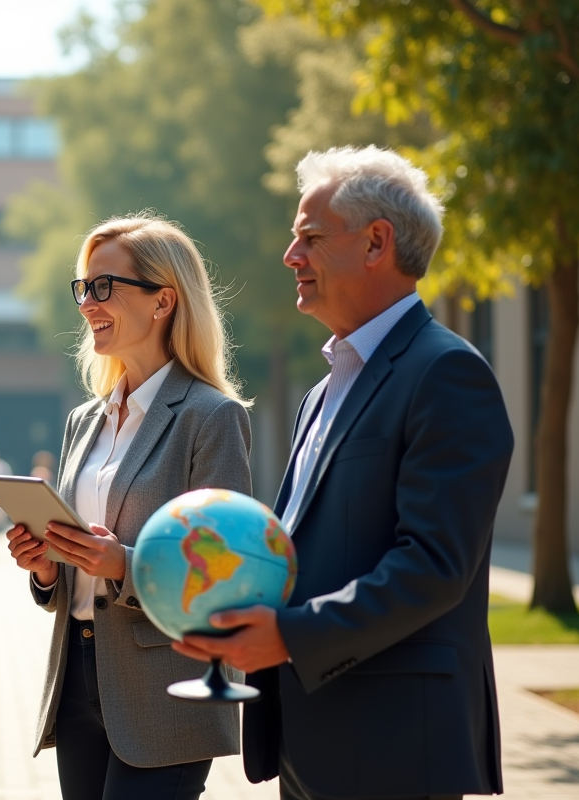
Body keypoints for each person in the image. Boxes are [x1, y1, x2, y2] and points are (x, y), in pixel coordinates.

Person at [175, 146, 514, 800]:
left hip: (392, 745)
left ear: (375, 243)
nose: (289, 256)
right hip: (316, 736)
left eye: (309, 237)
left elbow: (436, 564)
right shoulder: (324, 390)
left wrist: (289, 636)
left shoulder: (446, 374)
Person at [6, 214, 253, 799]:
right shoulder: (83, 422)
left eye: (104, 287)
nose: (88, 302)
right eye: (84, 287)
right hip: (77, 678)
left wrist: (123, 565)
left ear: (163, 300)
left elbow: (228, 574)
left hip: (164, 687)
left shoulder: (211, 418)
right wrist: (46, 566)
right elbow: (72, 571)